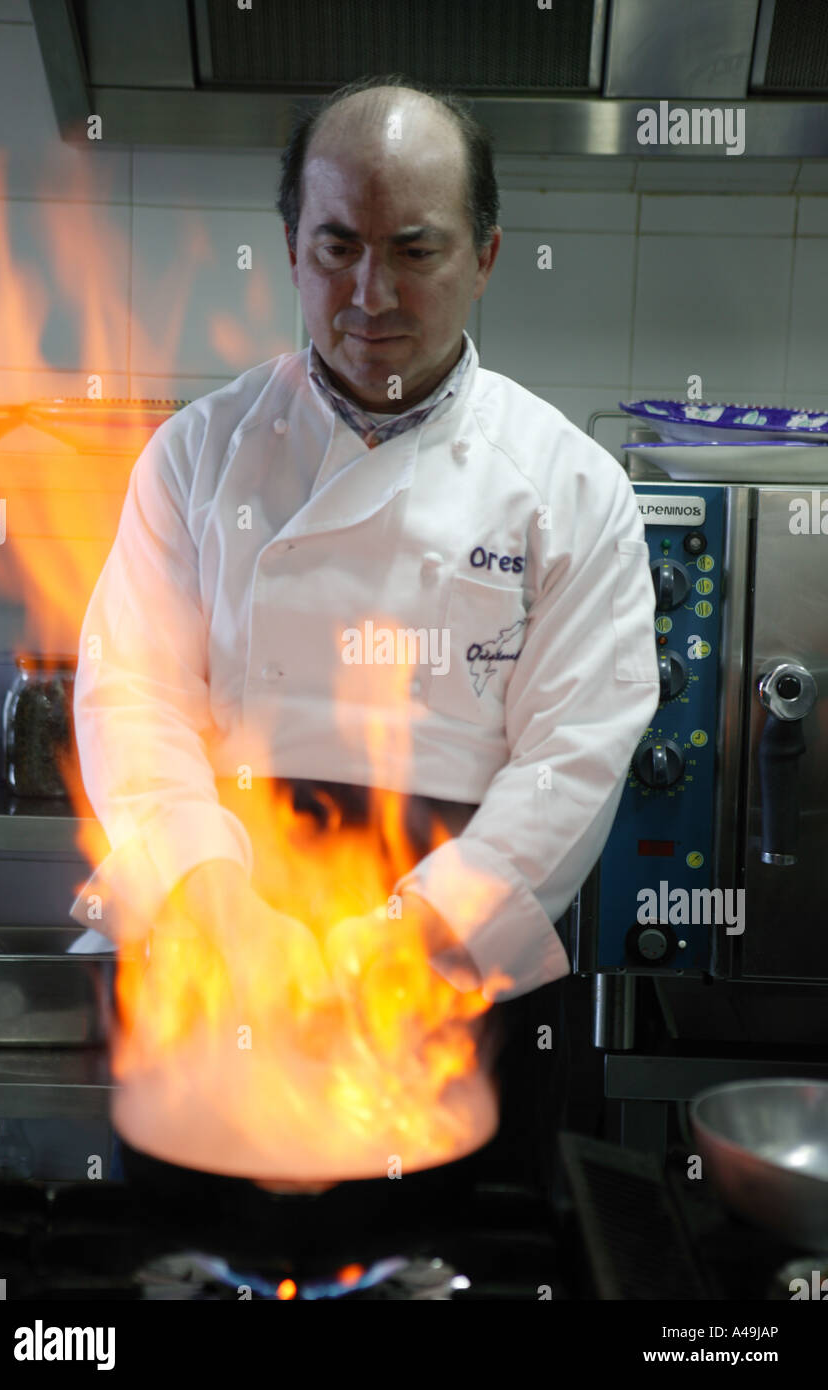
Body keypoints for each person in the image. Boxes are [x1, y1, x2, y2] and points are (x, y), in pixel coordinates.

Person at [72, 75, 660, 1182]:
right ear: (291, 248)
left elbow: (573, 759)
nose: (369, 292)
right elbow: (132, 697)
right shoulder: (199, 458)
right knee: (193, 1257)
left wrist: (404, 941)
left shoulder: (570, 489)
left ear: (486, 257)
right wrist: (217, 908)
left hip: (449, 973)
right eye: (336, 246)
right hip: (227, 956)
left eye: (416, 250)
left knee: (456, 1258)